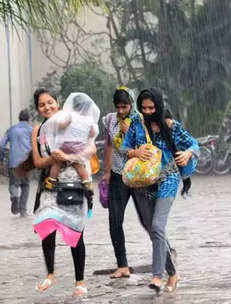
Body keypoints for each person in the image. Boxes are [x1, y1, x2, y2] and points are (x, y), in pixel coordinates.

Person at [121, 88, 199, 293]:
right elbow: (125, 148)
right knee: (153, 228)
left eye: (151, 108)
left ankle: (157, 276)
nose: (147, 112)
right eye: (144, 108)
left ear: (159, 106)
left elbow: (194, 144)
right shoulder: (136, 124)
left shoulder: (171, 126)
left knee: (156, 225)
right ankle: (173, 273)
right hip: (142, 181)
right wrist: (135, 152)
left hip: (167, 180)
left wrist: (188, 154)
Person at [30, 88, 93, 297]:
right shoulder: (38, 130)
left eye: (50, 102)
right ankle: (50, 274)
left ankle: (80, 281)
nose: (47, 107)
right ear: (38, 108)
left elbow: (91, 149)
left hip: (73, 184)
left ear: (58, 102)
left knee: (76, 233)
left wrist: (71, 155)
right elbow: (38, 162)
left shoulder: (73, 121)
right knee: (46, 227)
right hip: (49, 183)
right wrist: (54, 159)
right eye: (42, 104)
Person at [102, 86, 140, 279]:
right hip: (118, 176)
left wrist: (131, 133)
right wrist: (106, 171)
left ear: (131, 105)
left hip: (140, 177)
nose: (121, 111)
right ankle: (122, 264)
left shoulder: (140, 120)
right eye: (118, 107)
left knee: (150, 222)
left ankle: (165, 256)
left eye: (125, 107)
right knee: (114, 221)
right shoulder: (109, 120)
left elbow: (148, 148)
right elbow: (108, 145)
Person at [40, 93, 100, 192]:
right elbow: (92, 133)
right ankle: (87, 182)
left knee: (57, 163)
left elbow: (63, 125)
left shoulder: (70, 115)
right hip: (79, 147)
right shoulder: (89, 119)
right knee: (79, 165)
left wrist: (60, 124)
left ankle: (51, 181)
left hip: (66, 145)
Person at [0, 109, 33, 216]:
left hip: (13, 162)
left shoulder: (11, 129)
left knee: (14, 184)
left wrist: (1, 159)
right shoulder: (31, 130)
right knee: (25, 186)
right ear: (29, 119)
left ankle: (14, 197)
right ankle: (23, 211)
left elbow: (2, 145)